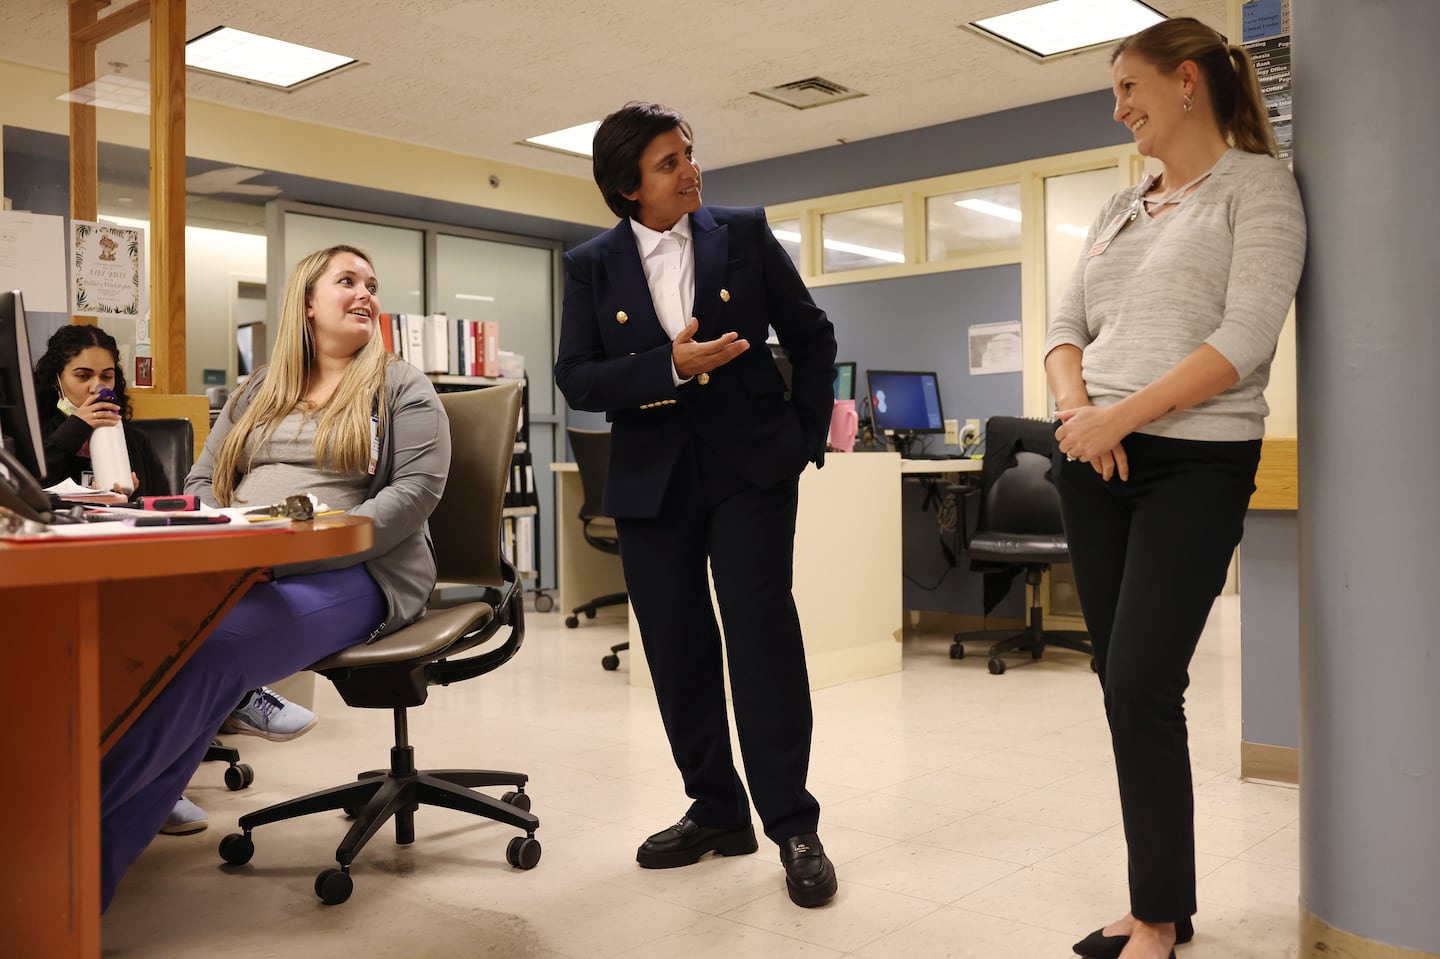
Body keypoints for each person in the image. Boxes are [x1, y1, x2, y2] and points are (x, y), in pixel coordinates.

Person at [1044, 18, 1306, 959]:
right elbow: (1066, 320)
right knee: (1122, 685)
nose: (1119, 110)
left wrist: (1123, 415)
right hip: (1095, 459)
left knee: (1146, 681)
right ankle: (1160, 902)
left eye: (1127, 89)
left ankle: (1157, 915)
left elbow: (1245, 337)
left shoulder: (1257, 189)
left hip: (1194, 459)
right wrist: (1081, 412)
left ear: (1186, 80)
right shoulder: (1120, 208)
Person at [99, 244, 451, 910]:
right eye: (346, 280)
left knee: (215, 649)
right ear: (307, 301)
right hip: (248, 563)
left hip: (361, 570)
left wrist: (295, 554)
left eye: (372, 284)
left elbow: (413, 495)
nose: (365, 293)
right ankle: (69, 831)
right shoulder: (258, 389)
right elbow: (204, 481)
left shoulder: (402, 386)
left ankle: (80, 864)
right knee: (146, 643)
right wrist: (227, 542)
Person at [555, 102, 839, 908]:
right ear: (627, 186)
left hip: (751, 470)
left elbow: (812, 335)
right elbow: (577, 375)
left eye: (689, 153)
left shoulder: (741, 232)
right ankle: (717, 808)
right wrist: (667, 366)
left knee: (760, 638)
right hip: (652, 480)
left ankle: (791, 822)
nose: (690, 169)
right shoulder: (591, 264)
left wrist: (805, 437)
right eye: (668, 162)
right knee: (676, 651)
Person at [33, 324, 320, 836]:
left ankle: (169, 778)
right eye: (82, 376)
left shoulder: (133, 440)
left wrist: (131, 500)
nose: (97, 387)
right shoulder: (35, 439)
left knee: (172, 606)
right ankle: (229, 707)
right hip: (56, 576)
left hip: (125, 567)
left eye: (106, 375)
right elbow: (28, 493)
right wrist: (74, 431)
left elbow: (170, 515)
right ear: (56, 380)